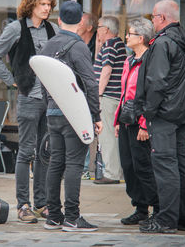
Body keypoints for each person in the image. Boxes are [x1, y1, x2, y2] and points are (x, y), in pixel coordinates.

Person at [0, 0, 58, 223]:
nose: (47, 8)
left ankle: (42, 203)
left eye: (49, 5)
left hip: (49, 100)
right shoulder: (15, 28)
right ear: (32, 5)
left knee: (44, 153)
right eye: (43, 4)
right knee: (26, 152)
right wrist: (12, 81)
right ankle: (23, 205)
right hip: (28, 98)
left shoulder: (54, 30)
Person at [137, 0, 185, 233]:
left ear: (162, 18)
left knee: (165, 166)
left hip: (164, 114)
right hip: (182, 113)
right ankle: (184, 219)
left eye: (153, 17)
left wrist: (149, 112)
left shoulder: (163, 42)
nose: (152, 21)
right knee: (180, 164)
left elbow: (156, 82)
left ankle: (166, 220)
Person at [40, 1, 102, 232]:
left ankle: (53, 216)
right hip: (74, 113)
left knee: (56, 163)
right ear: (81, 23)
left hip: (53, 112)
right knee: (74, 164)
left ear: (58, 21)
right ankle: (73, 217)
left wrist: (50, 105)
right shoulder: (79, 47)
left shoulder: (48, 45)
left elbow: (43, 81)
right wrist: (96, 115)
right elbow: (90, 83)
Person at [113, 18, 159, 226]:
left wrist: (143, 124)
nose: (126, 37)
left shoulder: (149, 61)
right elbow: (123, 94)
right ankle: (140, 208)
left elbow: (150, 95)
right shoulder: (129, 60)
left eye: (129, 34)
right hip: (126, 120)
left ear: (141, 38)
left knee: (143, 167)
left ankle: (157, 209)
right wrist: (117, 120)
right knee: (128, 166)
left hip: (140, 122)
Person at [93, 16, 126, 184]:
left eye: (98, 27)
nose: (96, 30)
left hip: (107, 97)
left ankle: (111, 174)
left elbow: (106, 70)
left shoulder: (110, 45)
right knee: (112, 136)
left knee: (107, 137)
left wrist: (97, 95)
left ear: (106, 29)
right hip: (115, 97)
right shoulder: (118, 44)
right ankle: (114, 171)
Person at [77, 12, 98, 181]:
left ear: (89, 27)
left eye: (80, 22)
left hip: (91, 93)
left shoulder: (97, 44)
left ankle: (85, 168)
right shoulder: (74, 42)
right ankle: (78, 167)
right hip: (75, 92)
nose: (77, 24)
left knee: (87, 129)